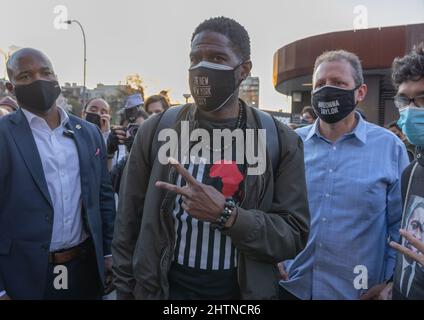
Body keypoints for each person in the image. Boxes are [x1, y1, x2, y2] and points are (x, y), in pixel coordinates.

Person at [112, 16, 310, 300]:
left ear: (243, 70)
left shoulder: (279, 139)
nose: (203, 67)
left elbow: (293, 235)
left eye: (217, 57)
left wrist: (228, 216)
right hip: (164, 292)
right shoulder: (157, 129)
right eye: (196, 58)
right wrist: (126, 290)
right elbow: (127, 222)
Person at [279, 50, 409, 300]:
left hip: (359, 292)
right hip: (291, 288)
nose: (327, 90)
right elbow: (274, 207)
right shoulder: (291, 143)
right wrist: (273, 256)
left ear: (360, 92)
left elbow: (399, 226)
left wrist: (390, 281)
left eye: (338, 83)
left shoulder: (390, 148)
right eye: (320, 84)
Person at [0, 48, 116, 300]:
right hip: (22, 275)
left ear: (56, 78)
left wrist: (107, 253)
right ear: (11, 88)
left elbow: (103, 197)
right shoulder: (3, 134)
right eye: (26, 76)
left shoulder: (88, 132)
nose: (38, 80)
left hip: (83, 268)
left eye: (45, 72)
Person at [380, 43, 424, 300]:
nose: (411, 109)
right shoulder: (411, 172)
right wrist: (393, 284)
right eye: (404, 100)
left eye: (422, 98)